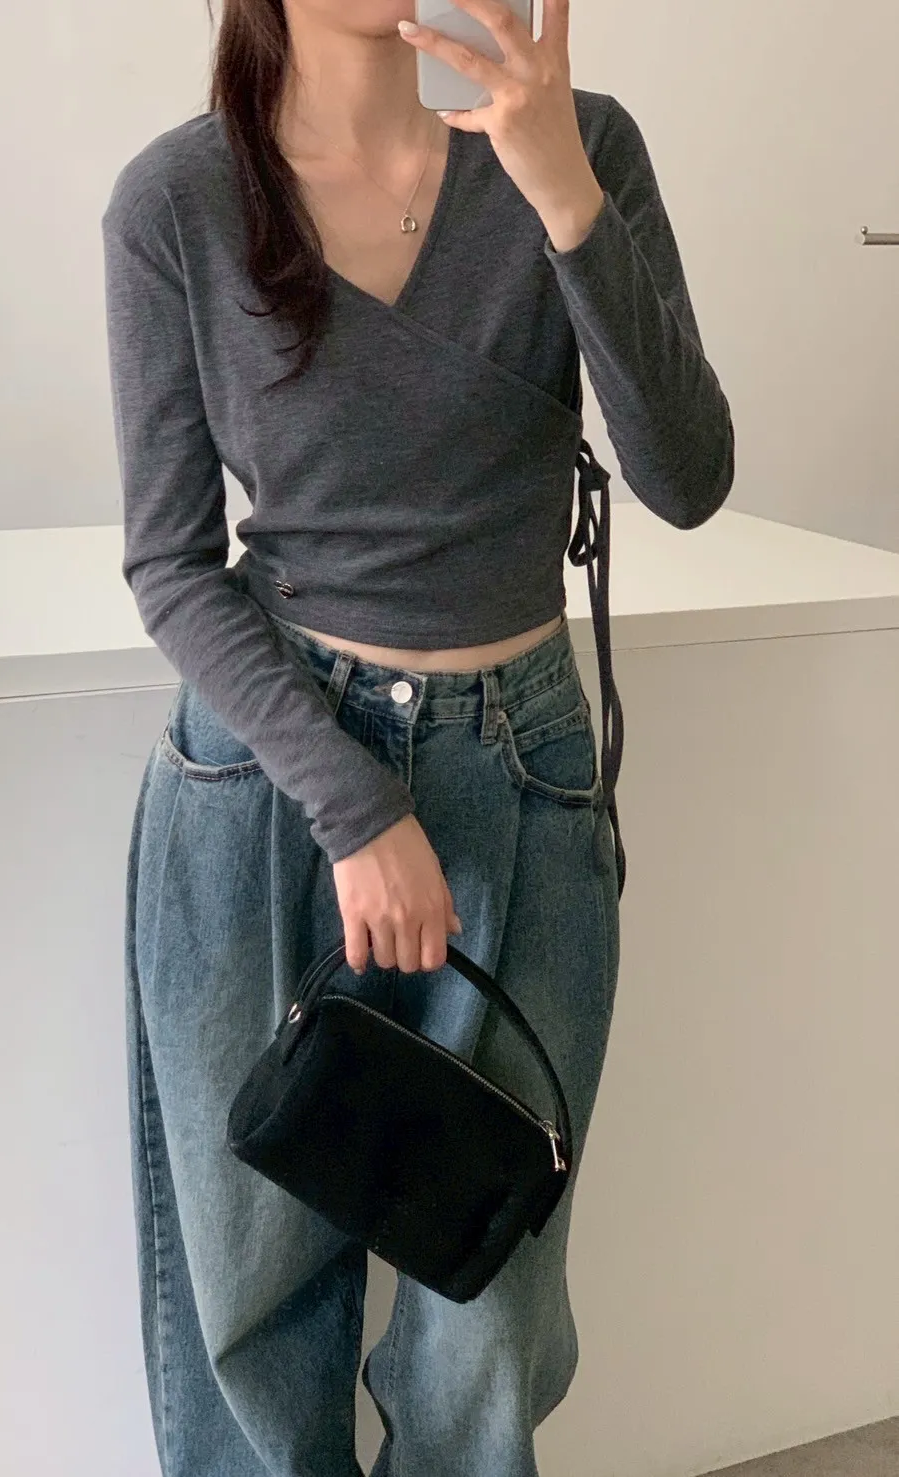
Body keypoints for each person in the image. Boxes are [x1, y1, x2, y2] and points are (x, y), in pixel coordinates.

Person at [101, 1, 734, 1472]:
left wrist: (563, 194)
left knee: (490, 1306)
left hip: (524, 772)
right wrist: (357, 808)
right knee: (250, 1301)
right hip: (269, 781)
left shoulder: (579, 147)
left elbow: (688, 477)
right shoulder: (179, 199)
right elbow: (172, 564)